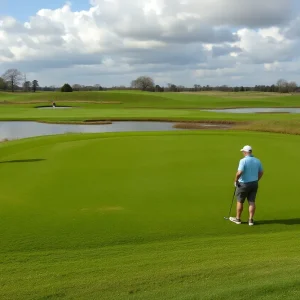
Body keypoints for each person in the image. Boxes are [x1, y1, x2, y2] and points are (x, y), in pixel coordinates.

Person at [229, 145, 264, 226]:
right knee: (252, 202)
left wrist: (236, 180)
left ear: (245, 152)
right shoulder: (257, 160)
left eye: (243, 152)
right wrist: (256, 179)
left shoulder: (243, 161)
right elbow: (261, 172)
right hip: (254, 183)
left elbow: (239, 172)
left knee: (240, 201)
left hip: (243, 184)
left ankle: (238, 219)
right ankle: (251, 220)